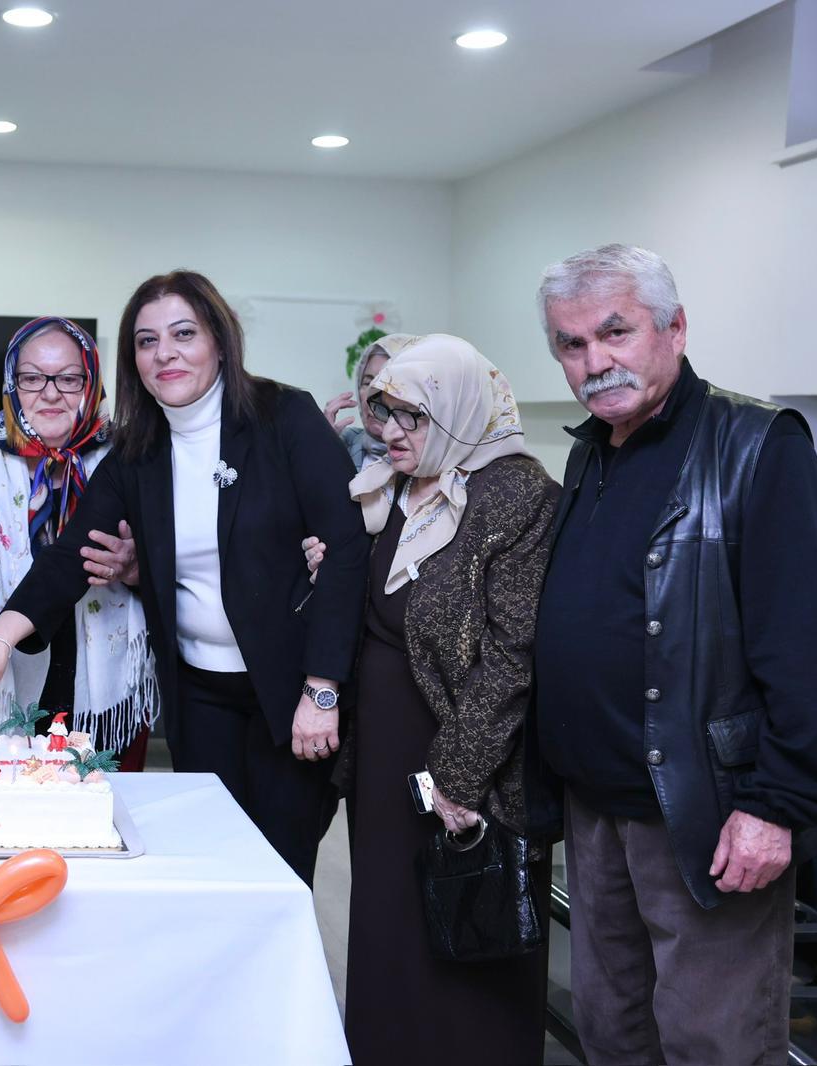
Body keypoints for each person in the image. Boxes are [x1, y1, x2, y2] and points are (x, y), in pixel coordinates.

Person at [0, 270, 370, 882]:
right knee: (209, 867)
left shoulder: (284, 416)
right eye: (146, 341)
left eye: (183, 334)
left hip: (290, 692)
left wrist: (321, 691)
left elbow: (346, 550)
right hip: (199, 696)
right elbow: (69, 556)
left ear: (219, 339)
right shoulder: (138, 449)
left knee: (279, 870)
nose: (164, 353)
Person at [532, 243, 817, 1064]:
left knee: (713, 1044)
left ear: (675, 328)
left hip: (706, 815)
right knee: (611, 1033)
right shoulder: (592, 449)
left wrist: (777, 807)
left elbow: (808, 648)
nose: (594, 361)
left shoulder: (758, 446)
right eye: (570, 344)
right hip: (596, 809)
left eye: (615, 332)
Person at [307, 334, 558, 1064]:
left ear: (460, 409)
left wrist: (458, 773)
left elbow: (512, 653)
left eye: (412, 416)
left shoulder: (518, 494)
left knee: (469, 925)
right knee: (389, 927)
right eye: (384, 412)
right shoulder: (390, 487)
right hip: (385, 749)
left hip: (465, 747)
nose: (390, 431)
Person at [0, 316, 155, 767]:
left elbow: (173, 565)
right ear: (11, 384)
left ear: (91, 383)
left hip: (105, 681)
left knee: (101, 803)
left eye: (69, 378)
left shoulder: (128, 461)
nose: (50, 393)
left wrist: (136, 571)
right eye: (32, 378)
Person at [321, 333, 418, 470]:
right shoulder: (344, 442)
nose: (370, 397)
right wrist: (321, 445)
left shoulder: (427, 459)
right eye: (367, 383)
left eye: (385, 383)